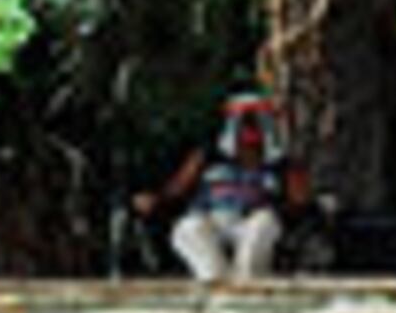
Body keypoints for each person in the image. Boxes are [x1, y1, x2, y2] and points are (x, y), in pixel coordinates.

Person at [133, 82, 310, 281]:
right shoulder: (209, 157)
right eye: (243, 123)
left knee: (263, 224)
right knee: (190, 228)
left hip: (250, 223)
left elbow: (299, 203)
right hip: (211, 219)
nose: (249, 130)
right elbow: (176, 190)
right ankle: (214, 284)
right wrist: (155, 200)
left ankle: (246, 284)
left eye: (255, 123)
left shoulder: (279, 164)